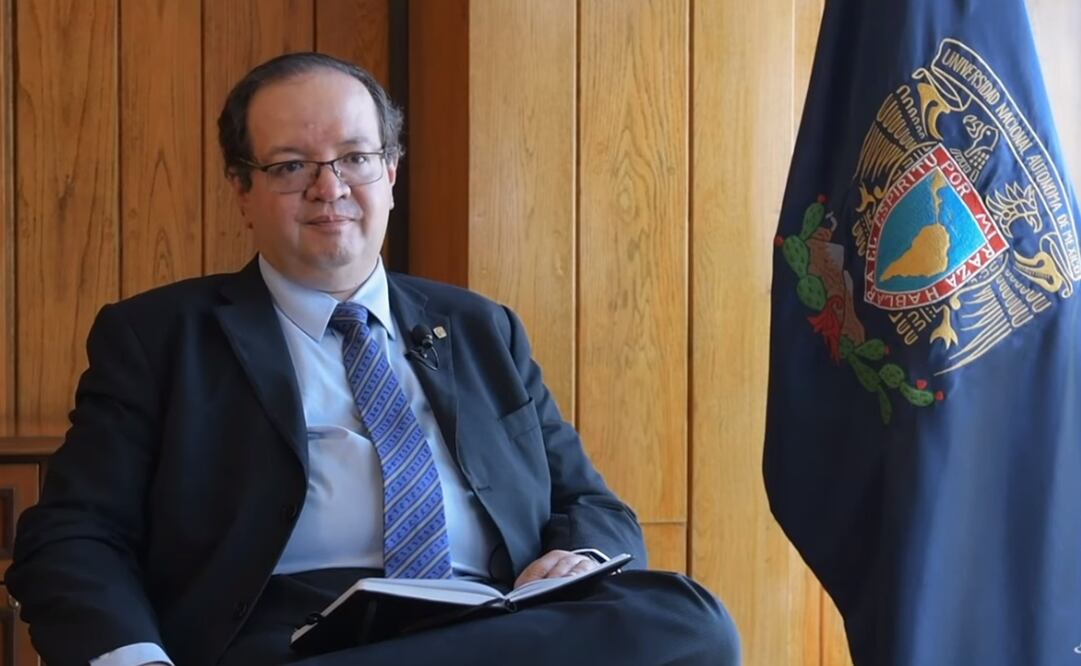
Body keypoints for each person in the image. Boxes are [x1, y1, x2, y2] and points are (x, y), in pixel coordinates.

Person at [7, 52, 739, 666]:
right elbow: (72, 534)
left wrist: (580, 557)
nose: (329, 189)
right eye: (291, 166)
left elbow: (589, 504)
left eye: (355, 158)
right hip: (292, 631)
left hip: (495, 617)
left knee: (691, 618)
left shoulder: (481, 328)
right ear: (243, 190)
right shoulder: (159, 336)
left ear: (390, 170)